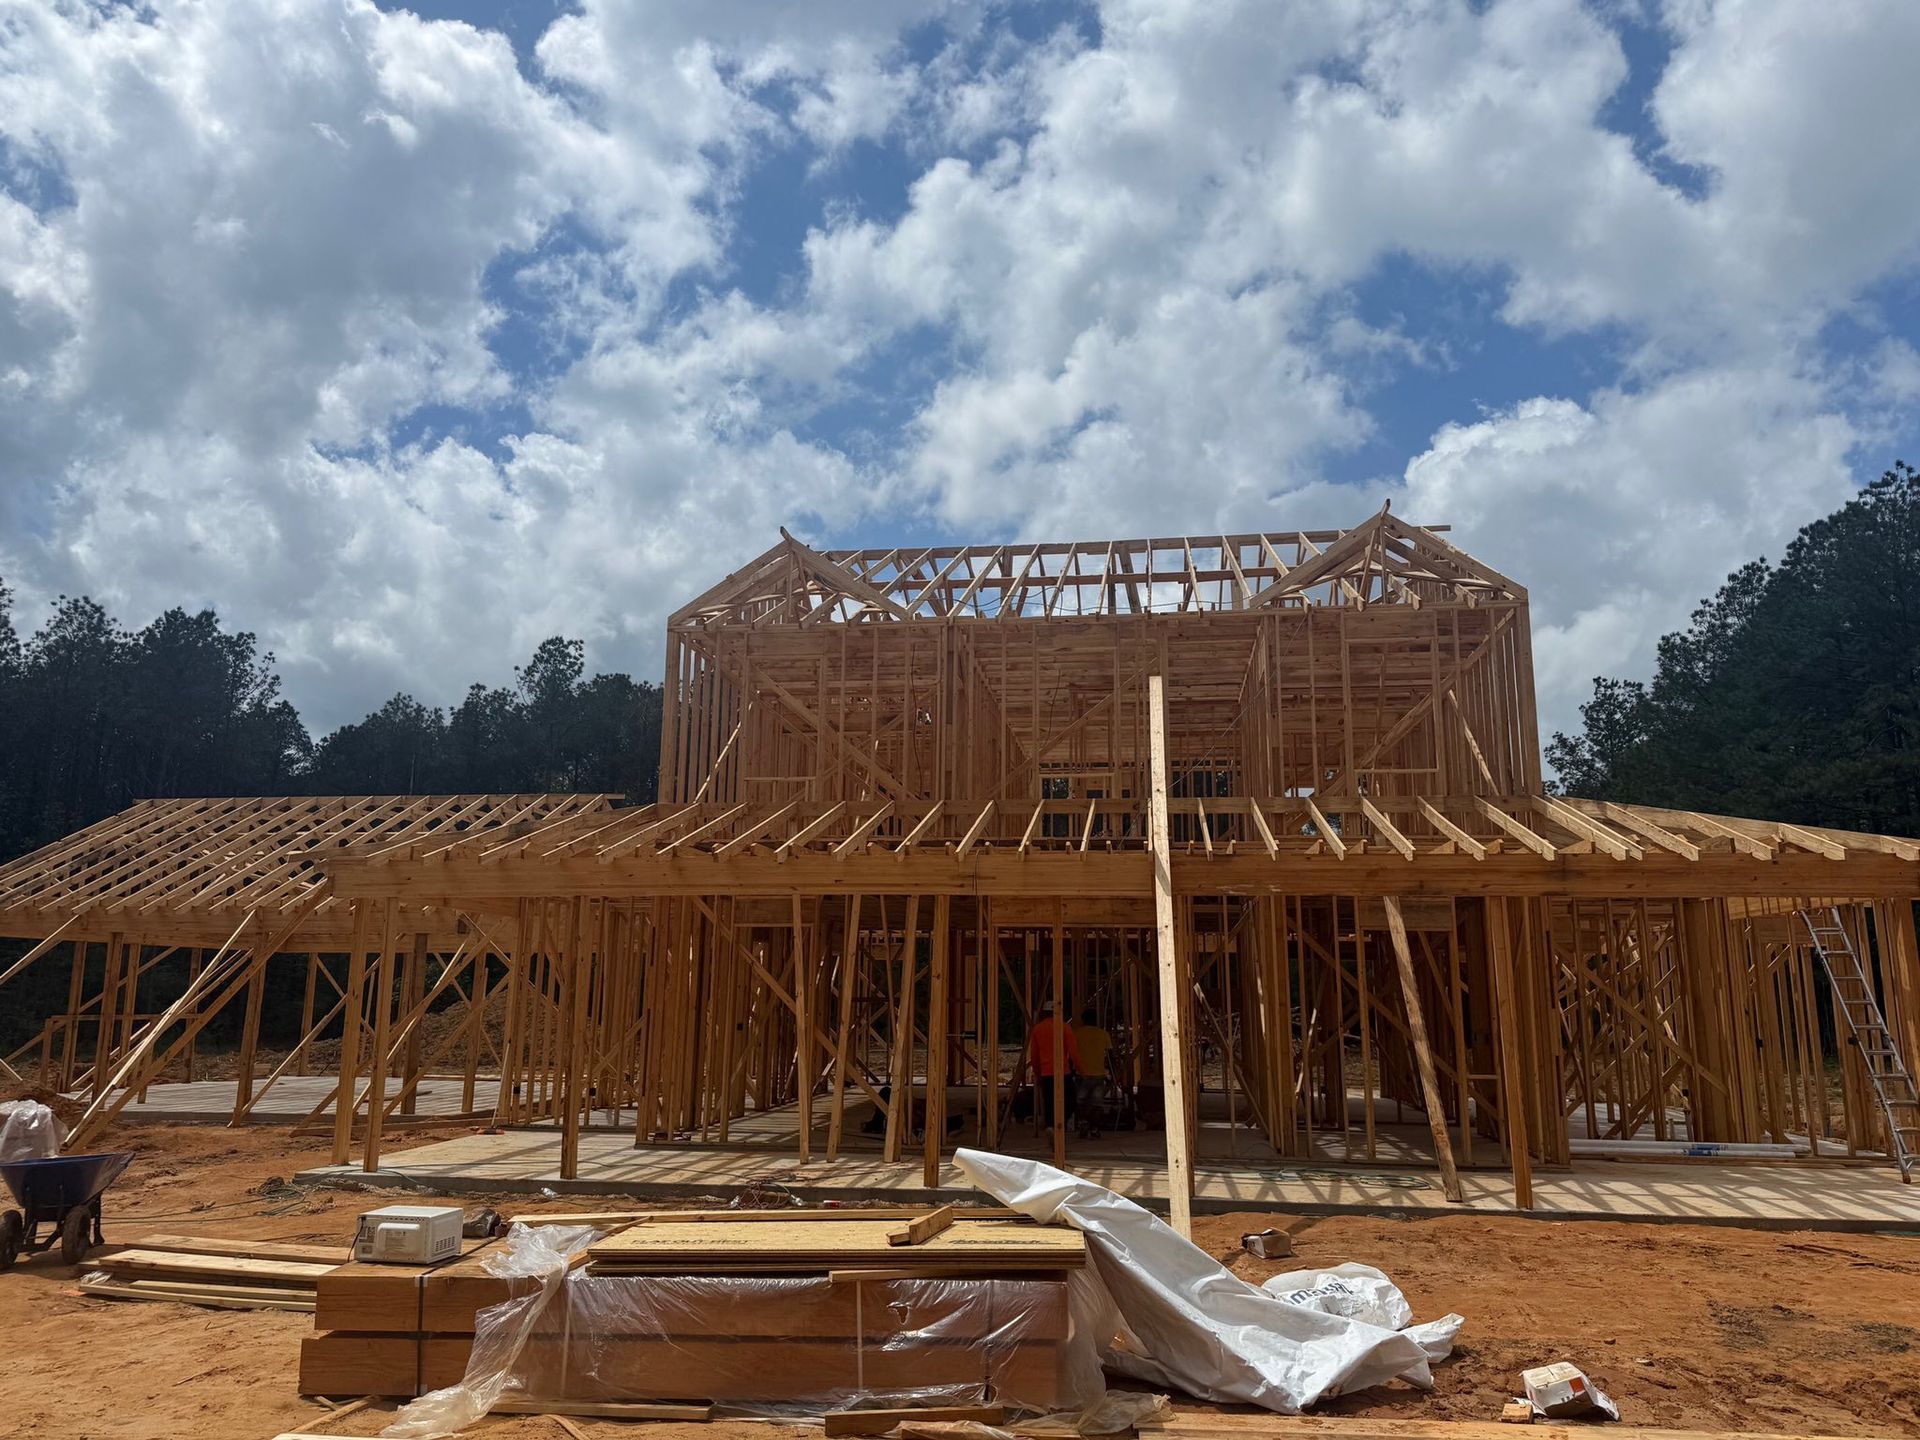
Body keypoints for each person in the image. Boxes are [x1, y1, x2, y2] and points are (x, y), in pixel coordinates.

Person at [1027, 1002, 1080, 1133]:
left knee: (1049, 1101)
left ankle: (1051, 1125)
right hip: (1063, 1072)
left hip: (1046, 1073)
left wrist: (1037, 1074)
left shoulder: (1038, 1029)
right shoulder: (1064, 1028)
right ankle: (1060, 1123)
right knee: (1071, 1100)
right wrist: (1081, 1070)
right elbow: (1074, 1052)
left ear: (1044, 1013)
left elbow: (1034, 1055)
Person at [1072, 1007, 1114, 1138]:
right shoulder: (1103, 1034)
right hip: (1098, 1074)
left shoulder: (1077, 1034)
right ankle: (1094, 1129)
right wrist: (1113, 1072)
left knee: (1080, 1101)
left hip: (1081, 1074)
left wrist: (1071, 1070)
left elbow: (1070, 1053)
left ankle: (1083, 1123)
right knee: (1096, 1103)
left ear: (1083, 1020)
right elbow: (1110, 1055)